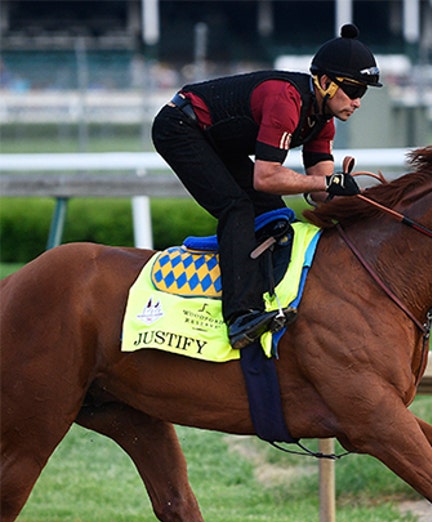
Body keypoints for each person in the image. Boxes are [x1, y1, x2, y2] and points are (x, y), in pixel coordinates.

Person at [152, 24, 379, 349]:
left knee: (277, 217)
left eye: (364, 94)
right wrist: (327, 182)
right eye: (355, 91)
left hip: (215, 140)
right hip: (179, 128)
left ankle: (266, 295)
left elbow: (318, 193)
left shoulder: (323, 121)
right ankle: (240, 316)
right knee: (237, 206)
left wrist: (352, 198)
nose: (358, 102)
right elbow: (266, 178)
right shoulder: (285, 99)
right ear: (326, 83)